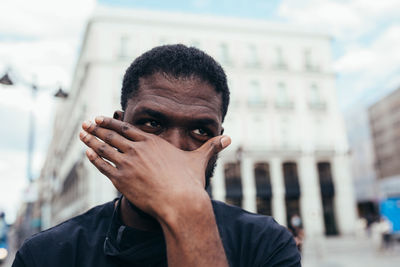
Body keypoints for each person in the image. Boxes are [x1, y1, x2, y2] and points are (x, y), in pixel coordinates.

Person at [12, 44, 301, 267]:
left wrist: (188, 213)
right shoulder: (48, 254)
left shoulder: (265, 244)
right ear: (118, 128)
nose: (172, 148)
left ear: (218, 140)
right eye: (152, 123)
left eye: (200, 130)